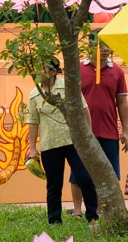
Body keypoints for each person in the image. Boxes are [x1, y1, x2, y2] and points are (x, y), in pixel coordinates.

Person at [27, 57, 96, 223]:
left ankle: (92, 216)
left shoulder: (67, 87)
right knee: (54, 184)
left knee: (84, 178)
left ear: (52, 71)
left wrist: (88, 134)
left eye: (42, 68)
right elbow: (33, 121)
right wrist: (32, 147)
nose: (38, 72)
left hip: (73, 142)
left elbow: (84, 110)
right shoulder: (34, 93)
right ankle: (54, 220)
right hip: (49, 145)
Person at [77, 47, 128, 183]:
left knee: (109, 175)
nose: (106, 49)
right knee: (79, 175)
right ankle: (78, 206)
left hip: (109, 131)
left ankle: (103, 205)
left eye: (108, 46)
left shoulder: (117, 71)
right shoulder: (78, 69)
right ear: (91, 45)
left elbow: (122, 102)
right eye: (101, 45)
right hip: (83, 132)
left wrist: (125, 130)